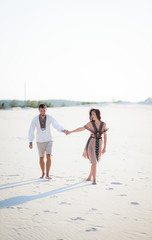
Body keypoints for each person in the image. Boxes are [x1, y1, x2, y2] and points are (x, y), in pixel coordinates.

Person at [66, 108, 108, 184]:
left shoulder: (103, 124)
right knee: (94, 162)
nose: (92, 116)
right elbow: (81, 128)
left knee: (94, 162)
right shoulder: (90, 123)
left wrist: (104, 147)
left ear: (98, 115)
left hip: (99, 143)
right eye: (91, 114)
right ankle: (94, 179)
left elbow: (105, 136)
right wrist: (71, 132)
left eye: (93, 114)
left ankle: (89, 177)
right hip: (91, 143)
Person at [28, 103, 67, 180]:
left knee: (48, 157)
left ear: (46, 110)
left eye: (44, 110)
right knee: (41, 158)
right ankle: (43, 173)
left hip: (49, 140)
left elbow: (56, 125)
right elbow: (31, 130)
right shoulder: (35, 119)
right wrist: (30, 141)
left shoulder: (49, 118)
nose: (43, 112)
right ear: (39, 110)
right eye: (41, 111)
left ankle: (48, 174)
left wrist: (63, 130)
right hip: (39, 141)